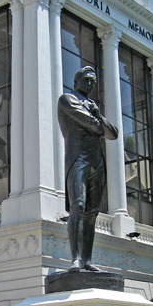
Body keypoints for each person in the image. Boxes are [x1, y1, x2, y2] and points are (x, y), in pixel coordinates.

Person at [58, 66, 118, 272]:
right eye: (87, 79)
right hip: (78, 158)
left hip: (96, 161)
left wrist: (99, 117)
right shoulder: (67, 99)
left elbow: (114, 134)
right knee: (78, 206)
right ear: (77, 82)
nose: (90, 83)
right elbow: (92, 125)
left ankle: (87, 260)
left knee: (92, 213)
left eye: (93, 81)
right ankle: (75, 259)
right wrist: (98, 121)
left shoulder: (92, 105)